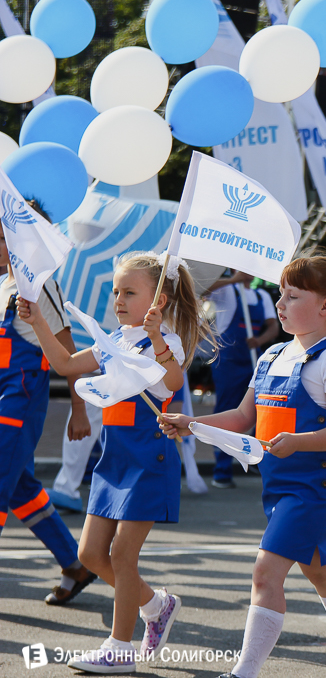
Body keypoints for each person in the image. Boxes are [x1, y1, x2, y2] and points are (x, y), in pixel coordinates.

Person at [161, 251, 326, 678]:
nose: (279, 303)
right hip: (278, 488)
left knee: (265, 572)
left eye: (292, 296)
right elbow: (244, 418)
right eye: (280, 293)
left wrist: (298, 441)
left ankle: (243, 672)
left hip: (314, 490)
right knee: (323, 574)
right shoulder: (271, 356)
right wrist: (192, 424)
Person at [22, 251, 210, 673]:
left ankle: (119, 649)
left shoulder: (167, 342)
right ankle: (156, 604)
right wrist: (37, 321)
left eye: (129, 291)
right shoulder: (114, 341)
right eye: (115, 291)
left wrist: (158, 338)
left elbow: (173, 382)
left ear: (157, 301)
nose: (118, 299)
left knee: (124, 557)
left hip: (149, 460)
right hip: (113, 462)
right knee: (89, 554)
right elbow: (66, 364)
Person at [0, 199, 96, 606]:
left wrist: (78, 408)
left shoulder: (40, 285)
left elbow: (69, 351)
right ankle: (75, 564)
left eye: (4, 234)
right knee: (21, 488)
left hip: (17, 409)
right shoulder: (3, 283)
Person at [206, 270, 279, 489]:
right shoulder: (227, 290)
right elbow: (203, 289)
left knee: (265, 408)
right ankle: (222, 470)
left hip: (253, 361)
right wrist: (233, 280)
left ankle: (257, 453)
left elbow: (273, 326)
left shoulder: (261, 296)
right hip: (228, 361)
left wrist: (259, 340)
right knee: (228, 410)